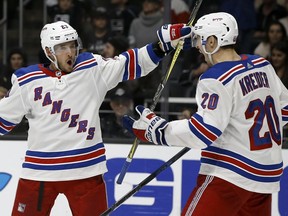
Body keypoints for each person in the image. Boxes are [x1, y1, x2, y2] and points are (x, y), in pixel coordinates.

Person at [0, 20, 191, 215]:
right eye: (62, 47)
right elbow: (3, 121)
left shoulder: (92, 67)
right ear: (49, 51)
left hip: (87, 170)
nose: (70, 52)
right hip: (39, 172)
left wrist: (161, 47)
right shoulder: (26, 81)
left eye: (73, 45)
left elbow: (130, 63)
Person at [123, 12, 288, 216]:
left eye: (200, 41)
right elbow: (284, 110)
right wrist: (239, 130)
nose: (199, 48)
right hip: (266, 176)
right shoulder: (262, 65)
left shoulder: (215, 78)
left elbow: (203, 133)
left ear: (212, 41)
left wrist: (156, 129)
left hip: (230, 175)